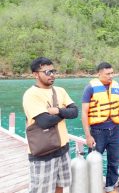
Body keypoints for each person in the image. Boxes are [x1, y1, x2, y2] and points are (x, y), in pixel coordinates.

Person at [23, 57, 78, 193]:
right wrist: (65, 112)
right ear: (35, 74)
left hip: (63, 148)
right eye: (47, 72)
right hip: (43, 152)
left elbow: (75, 112)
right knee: (42, 190)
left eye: (53, 71)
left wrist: (57, 111)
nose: (52, 75)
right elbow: (44, 122)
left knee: (60, 185)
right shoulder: (31, 95)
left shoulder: (60, 91)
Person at [81, 62, 119, 193]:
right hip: (97, 132)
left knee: (114, 160)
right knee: (93, 161)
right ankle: (91, 187)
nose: (110, 76)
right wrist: (88, 136)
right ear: (99, 74)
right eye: (107, 74)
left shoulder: (117, 86)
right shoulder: (90, 88)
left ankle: (110, 186)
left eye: (112, 73)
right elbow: (84, 113)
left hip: (115, 130)